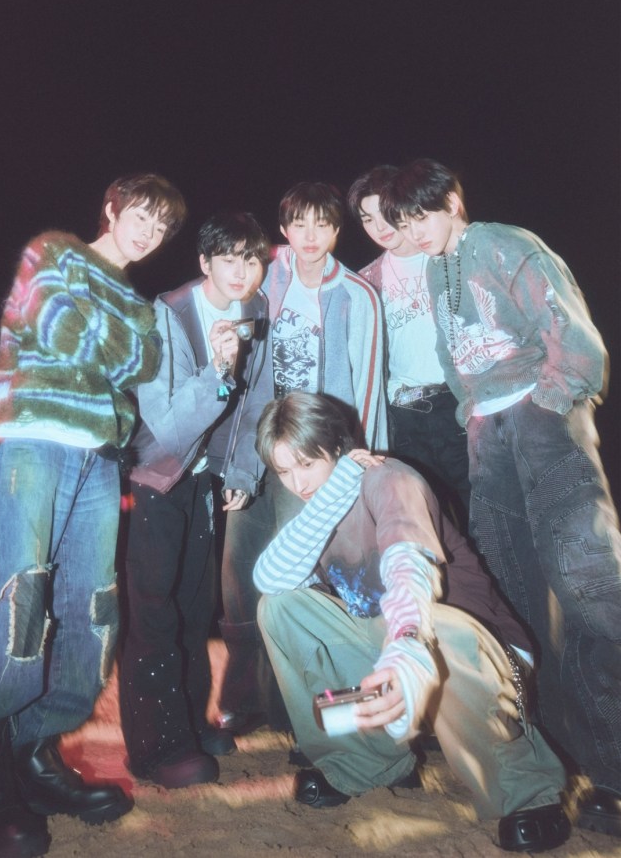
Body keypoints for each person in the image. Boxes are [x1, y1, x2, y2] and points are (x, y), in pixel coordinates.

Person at [0, 173, 187, 858]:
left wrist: (103, 347)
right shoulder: (55, 253)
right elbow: (55, 323)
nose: (147, 233)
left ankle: (35, 755)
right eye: (140, 216)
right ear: (112, 208)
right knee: (15, 599)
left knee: (95, 614)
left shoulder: (137, 304)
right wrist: (109, 352)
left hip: (100, 459)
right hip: (36, 442)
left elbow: (142, 361)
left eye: (161, 228)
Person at [381, 157, 621, 839]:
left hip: (543, 426)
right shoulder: (434, 268)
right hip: (490, 435)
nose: (416, 230)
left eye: (422, 214)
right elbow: (458, 354)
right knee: (511, 601)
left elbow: (576, 340)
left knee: (590, 589)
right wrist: (469, 411)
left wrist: (546, 404)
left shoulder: (508, 242)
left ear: (453, 201)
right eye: (405, 221)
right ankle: (552, 757)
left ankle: (613, 773)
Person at [253, 391, 571, 853]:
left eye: (307, 464)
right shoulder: (320, 507)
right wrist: (333, 489)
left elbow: (408, 568)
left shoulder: (389, 479)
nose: (297, 483)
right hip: (393, 655)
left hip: (473, 647)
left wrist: (406, 643)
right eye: (284, 471)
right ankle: (368, 763)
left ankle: (525, 790)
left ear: (339, 448)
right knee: (280, 609)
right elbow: (271, 580)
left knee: (435, 623)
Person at [218, 182, 388, 736]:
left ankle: (308, 712)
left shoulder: (356, 295)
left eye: (323, 225)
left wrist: (363, 461)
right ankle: (246, 701)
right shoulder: (267, 275)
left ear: (338, 231)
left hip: (315, 454)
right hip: (260, 445)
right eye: (299, 225)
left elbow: (366, 386)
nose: (310, 237)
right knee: (239, 574)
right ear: (284, 229)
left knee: (301, 579)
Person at [118, 212, 272, 788]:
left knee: (193, 601)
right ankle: (156, 746)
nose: (241, 272)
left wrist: (243, 468)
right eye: (227, 259)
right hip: (158, 476)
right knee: (154, 607)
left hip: (207, 478)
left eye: (252, 259)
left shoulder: (255, 311)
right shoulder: (167, 315)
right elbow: (168, 424)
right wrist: (220, 370)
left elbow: (260, 400)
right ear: (204, 263)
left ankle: (188, 721)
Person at [349, 166, 470, 531]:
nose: (379, 227)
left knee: (483, 523)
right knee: (429, 529)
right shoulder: (366, 282)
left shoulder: (444, 254)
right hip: (404, 418)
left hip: (459, 408)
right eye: (367, 219)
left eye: (386, 213)